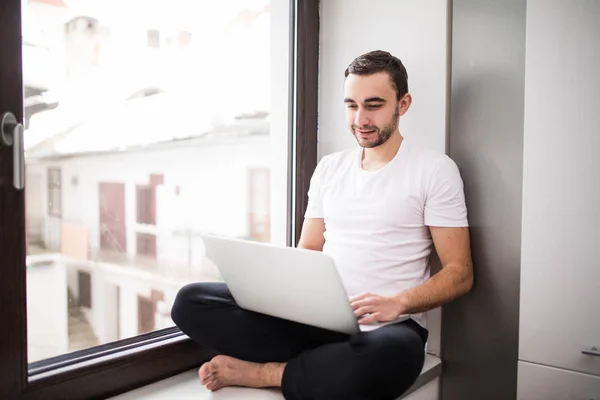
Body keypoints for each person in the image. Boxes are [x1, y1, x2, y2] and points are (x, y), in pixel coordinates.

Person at [171, 50, 473, 400]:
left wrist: (400, 303)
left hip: (387, 328)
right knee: (191, 301)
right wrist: (280, 295)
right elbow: (309, 250)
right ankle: (315, 366)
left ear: (402, 104)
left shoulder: (434, 170)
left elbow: (460, 272)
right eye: (351, 105)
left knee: (389, 358)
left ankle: (267, 372)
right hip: (316, 318)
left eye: (374, 105)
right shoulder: (330, 168)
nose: (360, 118)